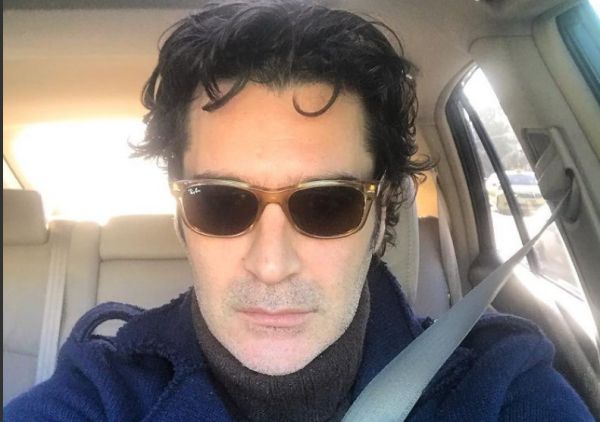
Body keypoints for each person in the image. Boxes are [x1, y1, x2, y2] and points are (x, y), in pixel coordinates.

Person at [4, 1, 593, 421]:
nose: (271, 264)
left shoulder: (498, 385)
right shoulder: (102, 390)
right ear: (182, 214)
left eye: (328, 203)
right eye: (220, 201)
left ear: (383, 213)